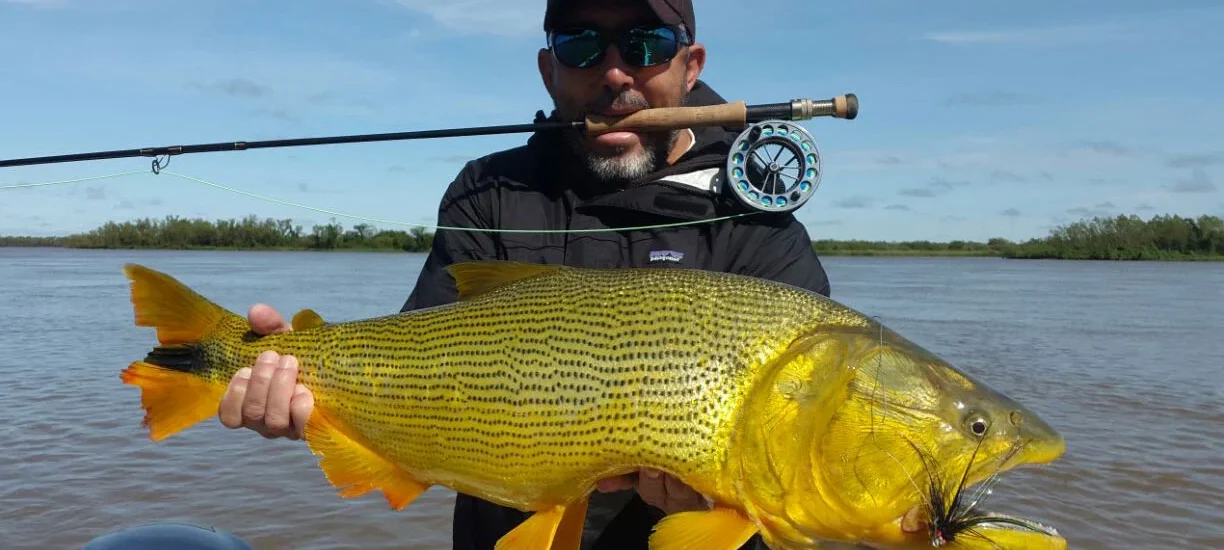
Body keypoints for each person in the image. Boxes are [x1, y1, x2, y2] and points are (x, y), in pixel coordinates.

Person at [206, 0, 833, 549]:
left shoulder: (757, 225)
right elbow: (416, 357)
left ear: (690, 65)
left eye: (646, 44)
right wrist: (301, 383)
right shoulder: (490, 191)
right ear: (548, 68)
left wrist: (731, 499)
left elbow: (810, 478)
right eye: (581, 46)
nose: (615, 73)